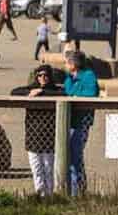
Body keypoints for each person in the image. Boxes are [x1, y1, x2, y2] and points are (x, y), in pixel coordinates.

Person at [11, 64, 63, 197]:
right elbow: (14, 92)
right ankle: (40, 194)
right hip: (33, 135)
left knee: (49, 168)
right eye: (40, 75)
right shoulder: (31, 89)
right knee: (36, 169)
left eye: (46, 75)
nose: (43, 78)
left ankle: (50, 195)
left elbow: (63, 93)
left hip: (49, 135)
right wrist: (30, 93)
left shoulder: (56, 90)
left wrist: (42, 92)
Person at [62, 52, 98, 198]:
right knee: (70, 155)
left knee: (75, 156)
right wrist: (70, 81)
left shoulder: (88, 76)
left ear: (73, 64)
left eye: (66, 63)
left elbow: (91, 93)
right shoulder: (70, 78)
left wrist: (76, 95)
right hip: (70, 121)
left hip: (81, 122)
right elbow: (69, 91)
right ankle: (72, 189)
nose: (65, 66)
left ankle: (78, 191)